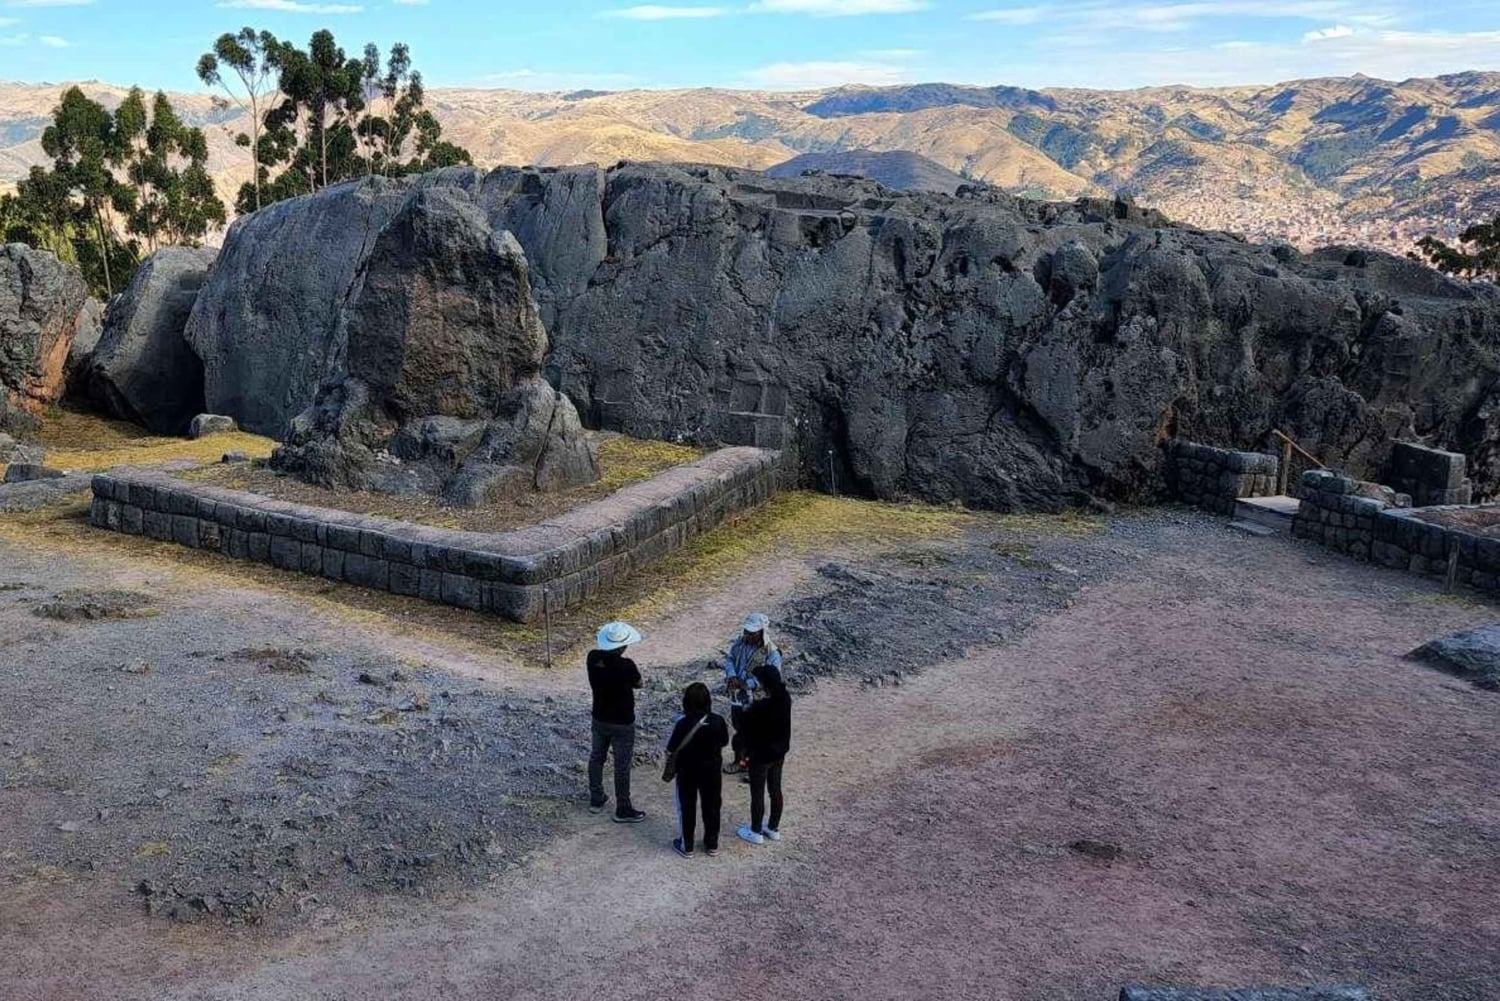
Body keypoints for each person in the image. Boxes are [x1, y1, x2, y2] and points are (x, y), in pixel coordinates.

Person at [587, 620, 647, 823]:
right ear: (622, 647)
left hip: (599, 717)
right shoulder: (627, 665)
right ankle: (623, 806)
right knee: (622, 765)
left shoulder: (592, 658)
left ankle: (596, 797)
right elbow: (639, 683)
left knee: (597, 757)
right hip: (622, 721)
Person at [663, 682, 730, 858]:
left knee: (686, 806)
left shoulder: (682, 723)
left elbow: (671, 748)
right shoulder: (718, 721)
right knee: (712, 806)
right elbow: (724, 741)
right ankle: (712, 844)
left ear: (686, 701)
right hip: (712, 770)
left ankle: (687, 846)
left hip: (687, 771)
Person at [737, 661, 791, 846]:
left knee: (757, 793)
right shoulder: (785, 698)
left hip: (760, 756)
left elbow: (745, 724)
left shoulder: (762, 707)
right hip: (779, 753)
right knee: (775, 790)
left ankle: (755, 831)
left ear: (766, 684)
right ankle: (773, 828)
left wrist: (746, 705)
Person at [720, 612, 783, 775]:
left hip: (758, 700)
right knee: (740, 731)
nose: (747, 635)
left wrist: (747, 684)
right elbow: (730, 659)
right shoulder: (740, 643)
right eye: (746, 631)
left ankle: (756, 768)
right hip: (738, 698)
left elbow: (771, 678)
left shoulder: (772, 653)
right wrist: (731, 675)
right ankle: (739, 761)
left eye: (752, 633)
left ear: (762, 632)